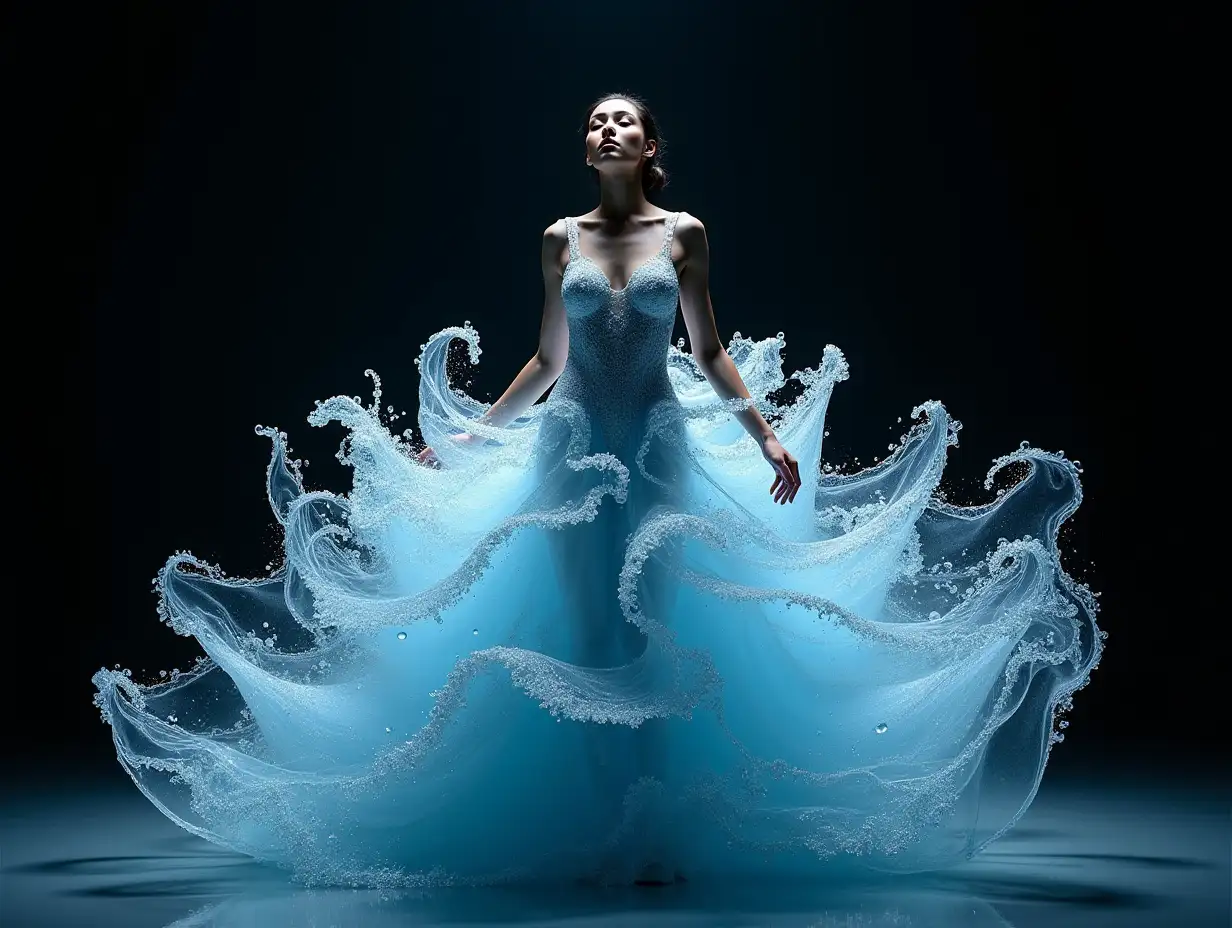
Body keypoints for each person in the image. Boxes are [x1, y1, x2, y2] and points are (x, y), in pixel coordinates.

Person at [93, 92, 1101, 889]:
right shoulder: (557, 238)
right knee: (578, 627)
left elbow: (703, 349)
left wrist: (762, 438)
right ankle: (579, 824)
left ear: (649, 140)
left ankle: (659, 824)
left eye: (620, 118)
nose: (604, 128)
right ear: (586, 149)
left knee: (657, 626)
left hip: (658, 444)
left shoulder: (685, 234)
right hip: (569, 449)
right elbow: (544, 357)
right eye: (592, 122)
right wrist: (479, 431)